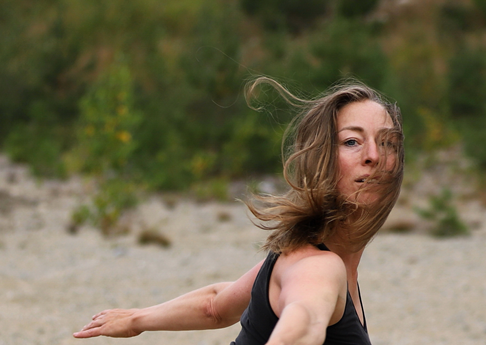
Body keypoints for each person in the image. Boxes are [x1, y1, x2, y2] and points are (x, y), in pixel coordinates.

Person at [73, 77, 404, 345]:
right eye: (352, 141)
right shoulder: (319, 269)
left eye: (388, 142)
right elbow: (303, 324)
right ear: (319, 159)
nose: (374, 155)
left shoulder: (300, 259)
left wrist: (136, 319)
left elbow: (216, 305)